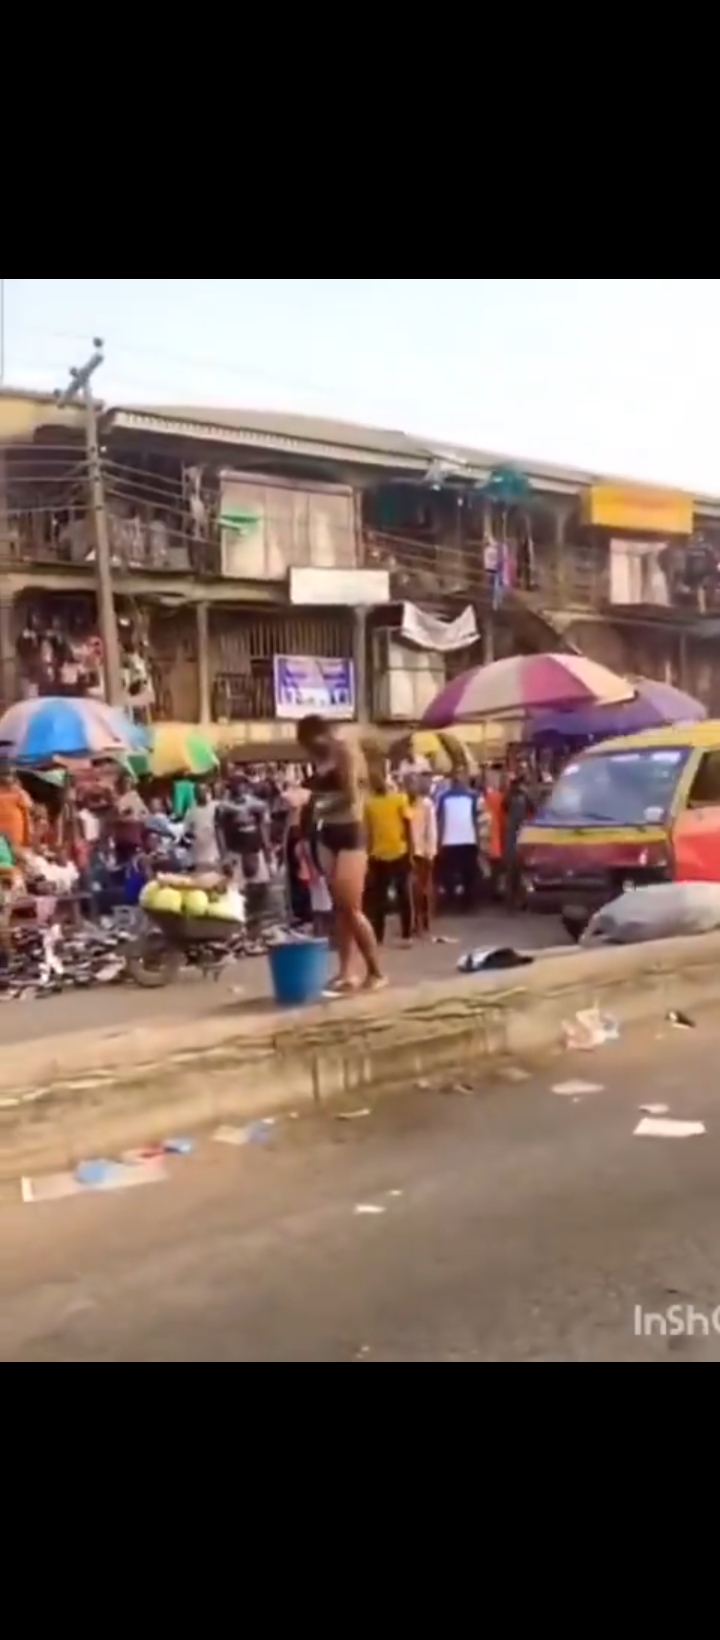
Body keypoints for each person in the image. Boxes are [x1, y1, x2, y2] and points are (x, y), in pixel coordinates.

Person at [296, 715, 384, 994]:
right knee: (339, 909)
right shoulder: (318, 759)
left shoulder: (345, 750)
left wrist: (313, 802)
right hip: (327, 832)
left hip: (351, 830)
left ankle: (376, 970)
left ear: (319, 735)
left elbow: (352, 796)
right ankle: (347, 972)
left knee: (351, 906)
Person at [364, 764, 414, 946]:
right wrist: (368, 855)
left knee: (401, 896)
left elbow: (408, 826)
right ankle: (379, 936)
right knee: (381, 898)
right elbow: (368, 832)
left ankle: (405, 935)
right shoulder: (369, 804)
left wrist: (410, 851)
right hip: (381, 854)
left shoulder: (399, 799)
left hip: (398, 852)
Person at [436, 765, 482, 911]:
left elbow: (476, 818)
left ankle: (468, 903)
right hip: (449, 841)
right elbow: (441, 819)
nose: (458, 778)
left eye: (462, 775)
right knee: (449, 874)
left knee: (469, 874)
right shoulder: (443, 797)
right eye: (456, 775)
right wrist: (439, 840)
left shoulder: (473, 796)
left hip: (468, 839)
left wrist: (478, 839)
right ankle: (451, 901)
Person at [405, 770, 438, 937]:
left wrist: (431, 852)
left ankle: (425, 921)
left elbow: (431, 830)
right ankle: (414, 921)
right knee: (411, 890)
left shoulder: (426, 804)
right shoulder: (403, 803)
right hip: (407, 852)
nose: (410, 787)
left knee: (423, 889)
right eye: (407, 783)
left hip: (422, 852)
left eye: (413, 783)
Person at [183, 785, 222, 870]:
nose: (203, 794)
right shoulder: (191, 812)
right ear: (195, 795)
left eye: (205, 791)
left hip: (216, 852)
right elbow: (186, 832)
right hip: (199, 855)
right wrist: (194, 836)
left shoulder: (216, 806)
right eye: (200, 792)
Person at [0, 759, 32, 854]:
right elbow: (27, 815)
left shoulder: (19, 793)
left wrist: (28, 836)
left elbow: (26, 816)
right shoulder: (19, 793)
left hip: (14, 836)